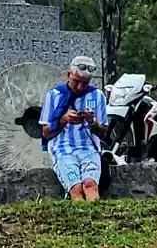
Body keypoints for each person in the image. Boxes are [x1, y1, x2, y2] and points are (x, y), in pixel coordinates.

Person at [39, 56, 110, 201]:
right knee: (76, 188)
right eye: (76, 81)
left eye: (85, 83)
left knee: (90, 185)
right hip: (62, 149)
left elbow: (103, 133)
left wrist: (92, 121)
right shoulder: (54, 95)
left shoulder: (98, 96)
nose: (79, 87)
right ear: (68, 75)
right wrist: (63, 120)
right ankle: (80, 213)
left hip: (88, 148)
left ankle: (95, 212)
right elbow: (46, 133)